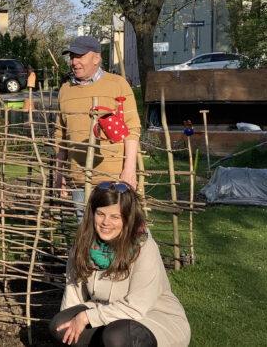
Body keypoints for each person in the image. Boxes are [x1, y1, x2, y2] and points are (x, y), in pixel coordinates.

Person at [50, 182, 190, 346]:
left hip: (151, 317)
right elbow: (73, 295)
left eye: (115, 217)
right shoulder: (83, 243)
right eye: (100, 214)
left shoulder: (143, 246)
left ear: (127, 218)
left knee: (116, 336)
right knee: (61, 326)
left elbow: (137, 306)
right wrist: (71, 329)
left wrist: (87, 317)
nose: (106, 222)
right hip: (106, 313)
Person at [55, 36, 140, 216]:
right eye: (72, 57)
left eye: (80, 56)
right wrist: (59, 172)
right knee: (85, 228)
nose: (74, 62)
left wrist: (129, 170)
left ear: (96, 58)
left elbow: (132, 129)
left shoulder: (117, 85)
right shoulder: (65, 90)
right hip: (78, 180)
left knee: (114, 227)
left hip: (113, 181)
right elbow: (60, 134)